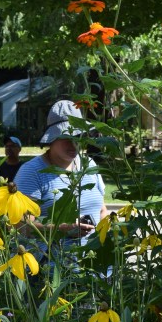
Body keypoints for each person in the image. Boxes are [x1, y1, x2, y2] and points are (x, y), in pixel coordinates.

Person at [14, 100, 107, 249]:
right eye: (67, 137)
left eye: (78, 136)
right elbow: (21, 226)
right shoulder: (32, 171)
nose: (74, 143)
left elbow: (102, 211)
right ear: (52, 138)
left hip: (95, 267)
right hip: (53, 268)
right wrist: (63, 229)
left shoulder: (88, 164)